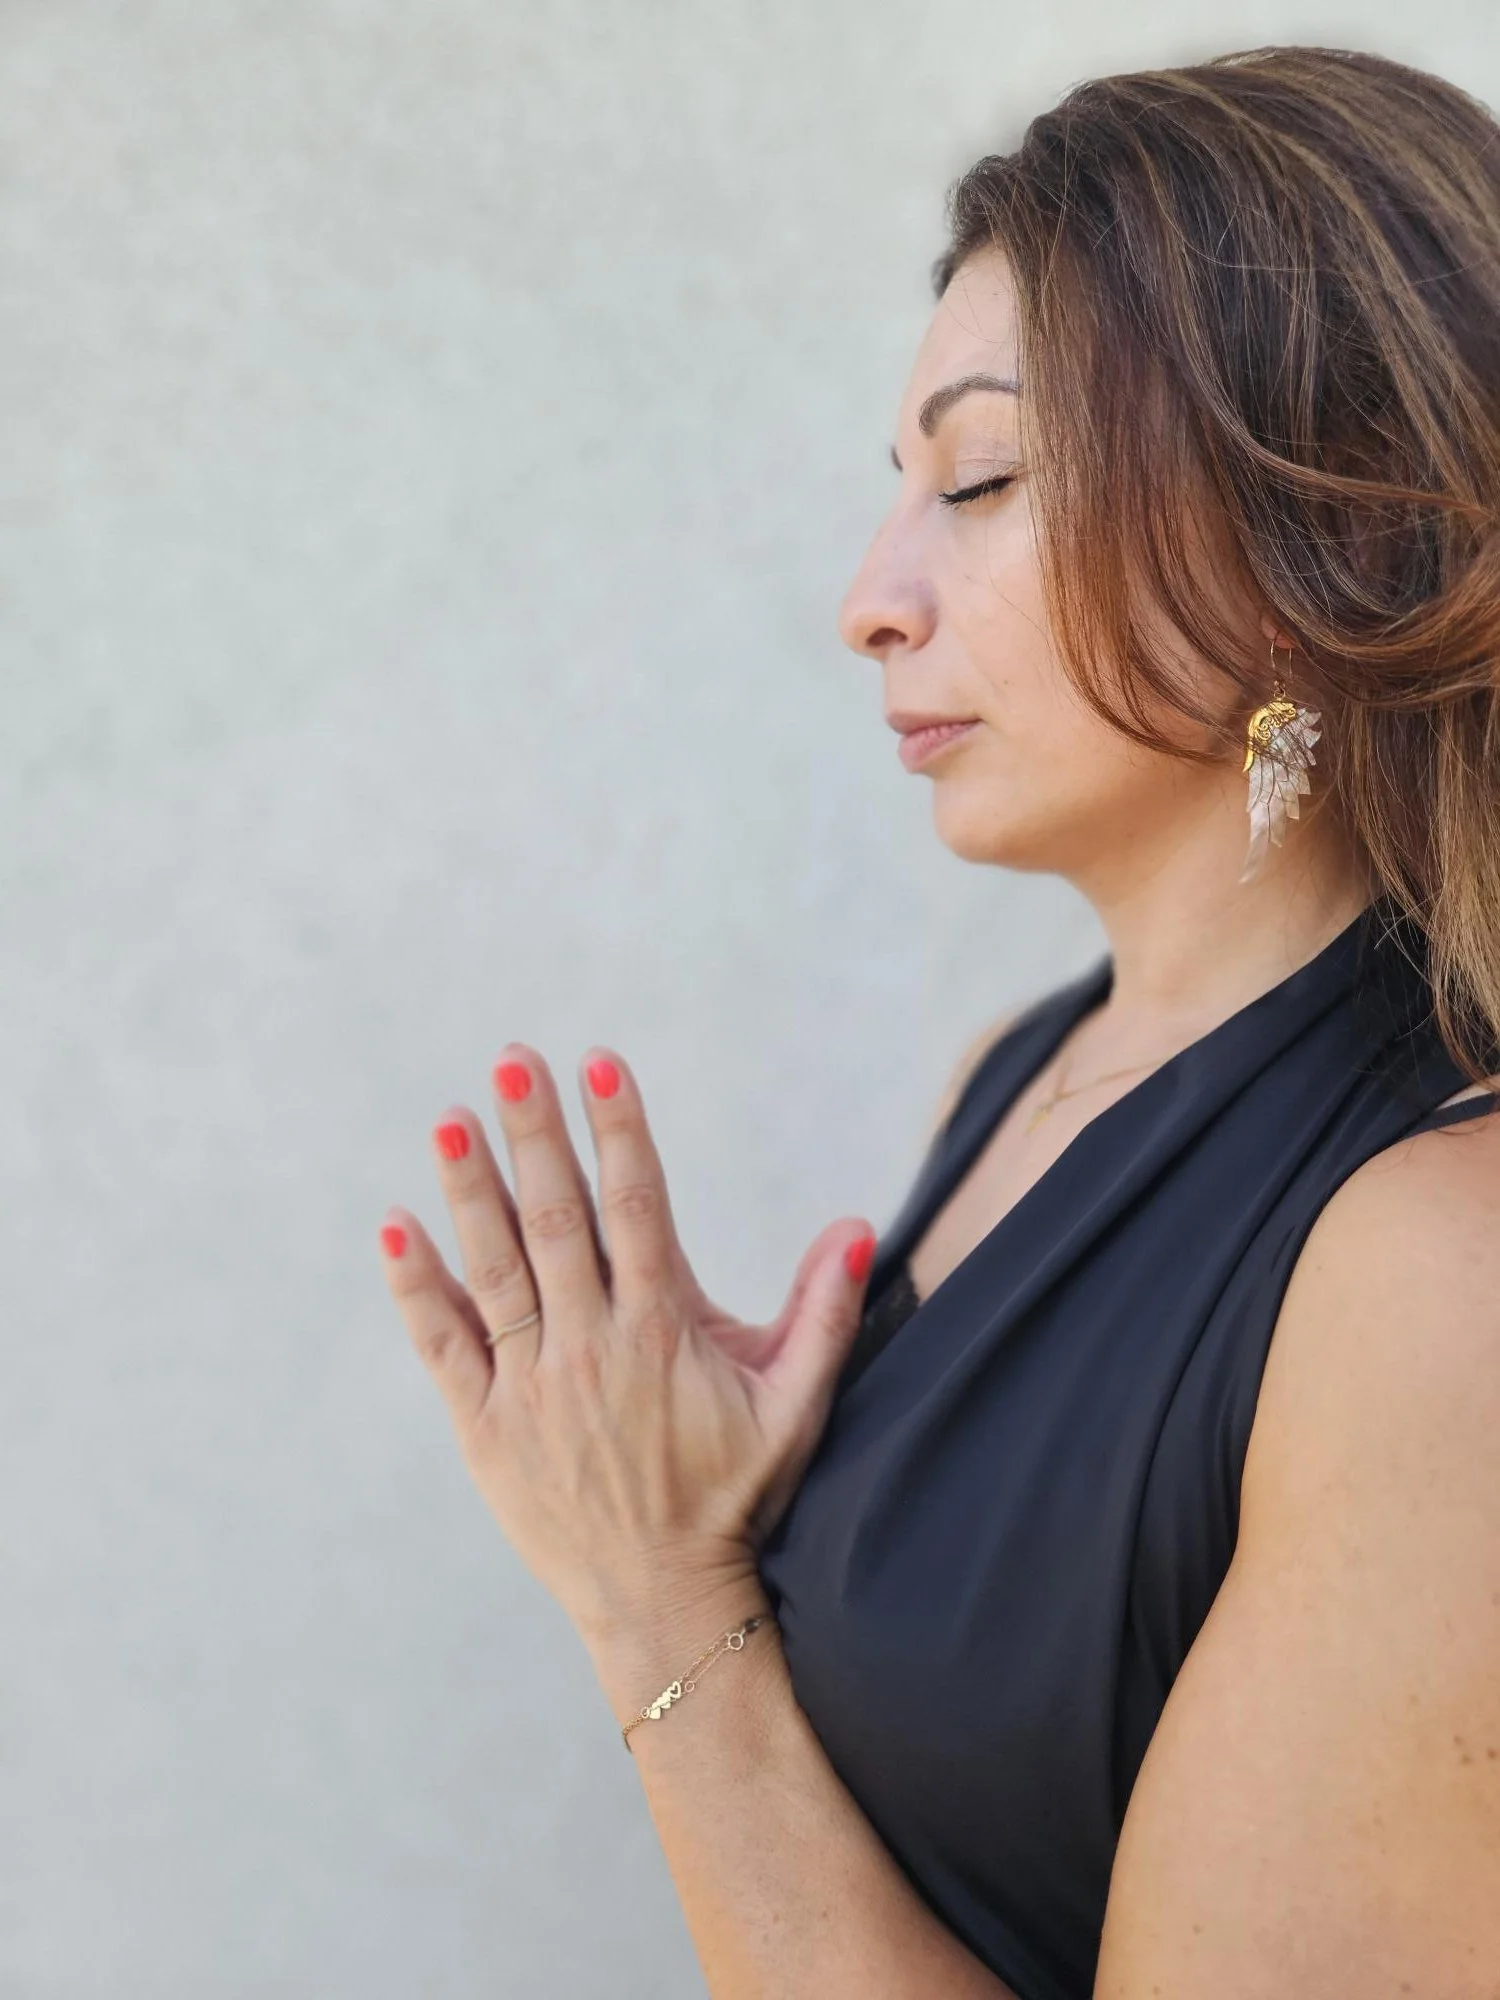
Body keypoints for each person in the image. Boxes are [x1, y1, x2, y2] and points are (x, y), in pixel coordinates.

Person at [376, 46, 1500, 2000]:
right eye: (899, 487)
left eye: (978, 477)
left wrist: (656, 1594)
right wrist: (730, 1488)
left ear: (1332, 528)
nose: (869, 600)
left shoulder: (1438, 1280)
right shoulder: (1027, 1075)